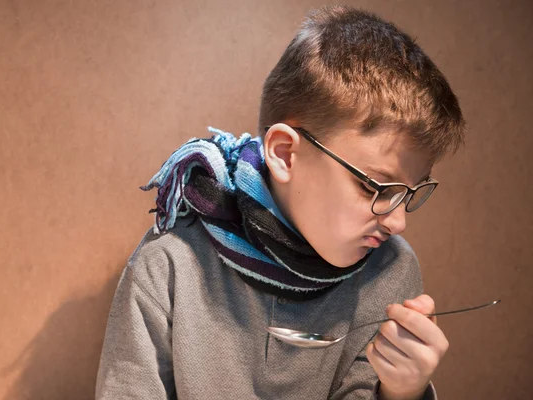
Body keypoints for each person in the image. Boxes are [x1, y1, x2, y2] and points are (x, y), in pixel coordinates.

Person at [95, 5, 465, 400]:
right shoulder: (169, 265)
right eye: (374, 187)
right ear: (286, 153)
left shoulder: (390, 269)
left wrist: (402, 392)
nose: (397, 224)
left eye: (408, 193)